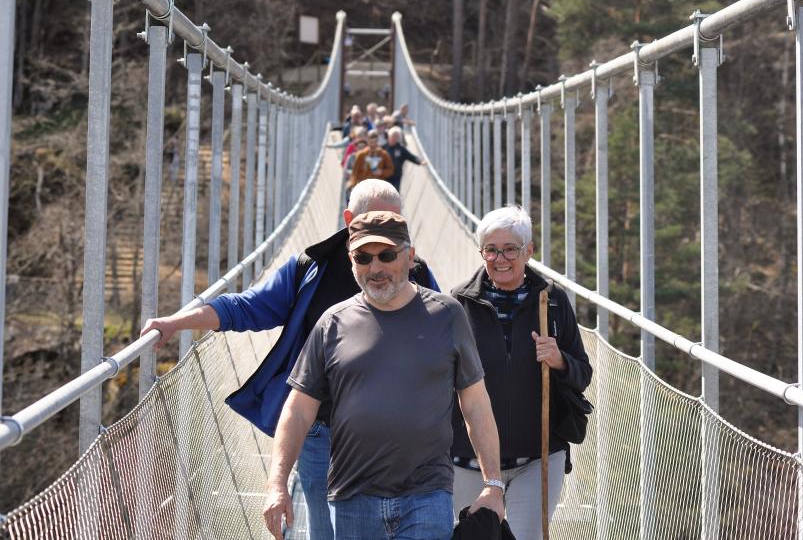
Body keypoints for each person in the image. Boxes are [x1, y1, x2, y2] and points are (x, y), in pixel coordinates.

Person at [140, 180, 439, 540]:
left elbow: (448, 336)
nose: (380, 233)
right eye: (370, 220)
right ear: (348, 219)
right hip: (318, 429)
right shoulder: (311, 268)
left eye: (391, 221)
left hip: (388, 433)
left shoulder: (413, 272)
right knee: (323, 528)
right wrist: (177, 322)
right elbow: (247, 308)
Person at [262, 211, 505, 540]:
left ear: (410, 256)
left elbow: (475, 403)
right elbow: (298, 408)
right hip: (352, 499)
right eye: (363, 257)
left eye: (387, 255)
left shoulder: (447, 315)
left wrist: (492, 483)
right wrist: (278, 484)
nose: (375, 268)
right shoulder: (332, 323)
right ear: (351, 261)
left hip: (427, 494)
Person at [450, 205, 592, 540]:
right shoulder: (458, 303)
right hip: (470, 462)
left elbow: (582, 373)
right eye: (491, 250)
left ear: (529, 251)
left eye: (510, 249)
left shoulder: (553, 301)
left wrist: (559, 360)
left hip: (538, 456)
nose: (500, 259)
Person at [384, 126, 426, 191]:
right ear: (389, 136)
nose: (394, 138)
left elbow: (411, 157)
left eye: (396, 136)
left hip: (396, 177)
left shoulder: (400, 148)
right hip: (385, 176)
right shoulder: (383, 148)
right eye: (393, 136)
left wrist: (420, 161)